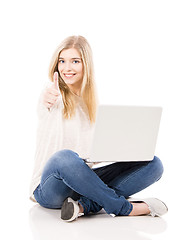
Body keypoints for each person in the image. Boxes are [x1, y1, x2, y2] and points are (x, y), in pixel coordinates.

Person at [29, 35, 168, 222]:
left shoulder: (92, 105)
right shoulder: (52, 95)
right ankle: (123, 208)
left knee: (154, 164)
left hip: (81, 182)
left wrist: (123, 151)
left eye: (75, 61)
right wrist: (47, 97)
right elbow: (45, 102)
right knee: (64, 157)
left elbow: (92, 156)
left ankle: (83, 206)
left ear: (86, 65)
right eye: (62, 61)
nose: (66, 68)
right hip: (50, 188)